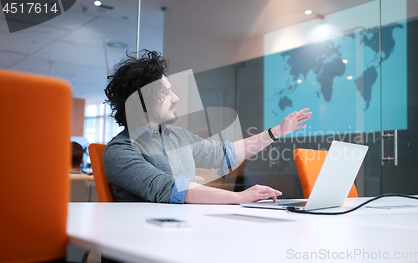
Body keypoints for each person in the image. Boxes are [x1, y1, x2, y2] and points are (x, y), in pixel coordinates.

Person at [103, 50, 311, 204]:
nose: (176, 98)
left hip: (181, 230)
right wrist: (238, 197)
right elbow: (170, 189)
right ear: (143, 101)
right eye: (165, 93)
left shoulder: (177, 136)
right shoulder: (120, 151)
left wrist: (277, 132)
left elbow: (224, 154)